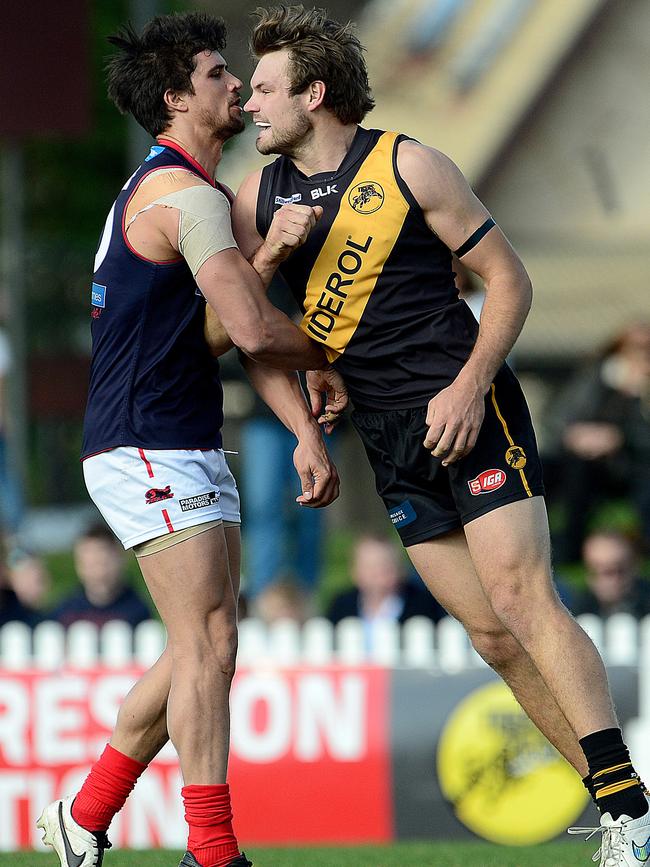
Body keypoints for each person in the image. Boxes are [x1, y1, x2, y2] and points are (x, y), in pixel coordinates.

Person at [226, 6, 650, 862]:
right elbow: (251, 336)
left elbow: (509, 281)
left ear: (314, 92)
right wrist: (313, 399)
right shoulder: (255, 196)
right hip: (383, 436)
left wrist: (467, 386)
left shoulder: (410, 162)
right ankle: (627, 805)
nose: (251, 104)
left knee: (525, 598)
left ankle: (626, 816)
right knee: (490, 636)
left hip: (468, 409)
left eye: (267, 87)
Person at [36, 13, 343, 867]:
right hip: (147, 443)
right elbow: (250, 328)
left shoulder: (182, 192)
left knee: (201, 642)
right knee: (209, 643)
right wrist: (353, 347)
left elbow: (216, 331)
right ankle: (212, 852)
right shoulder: (185, 196)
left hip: (172, 438)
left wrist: (303, 434)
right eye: (216, 74)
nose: (237, 84)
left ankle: (85, 816)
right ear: (175, 99)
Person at [550, 322, 650, 562]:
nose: (641, 353)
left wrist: (620, 437)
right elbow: (558, 418)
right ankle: (565, 547)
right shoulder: (596, 378)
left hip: (632, 466)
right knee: (549, 471)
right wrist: (577, 435)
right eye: (635, 347)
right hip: (584, 461)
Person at [327, 535, 445, 648]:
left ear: (399, 569)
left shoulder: (423, 604)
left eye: (383, 565)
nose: (375, 574)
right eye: (368, 566)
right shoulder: (341, 605)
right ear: (355, 570)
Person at [51, 524, 151, 629]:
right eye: (90, 565)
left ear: (119, 560)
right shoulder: (66, 612)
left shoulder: (137, 609)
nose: (97, 573)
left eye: (102, 563)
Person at [572, 530, 650, 620]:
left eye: (620, 570)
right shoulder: (575, 612)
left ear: (635, 567)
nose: (614, 580)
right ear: (588, 572)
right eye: (604, 571)